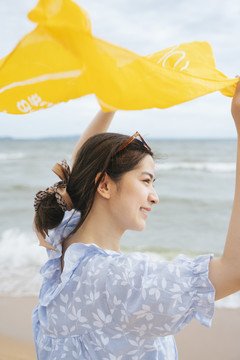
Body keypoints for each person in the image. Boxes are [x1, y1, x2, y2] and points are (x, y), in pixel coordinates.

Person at [32, 81, 240, 360]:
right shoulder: (117, 280)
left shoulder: (64, 246)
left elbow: (79, 171)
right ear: (104, 186)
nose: (154, 197)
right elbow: (234, 270)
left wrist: (110, 103)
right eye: (146, 181)